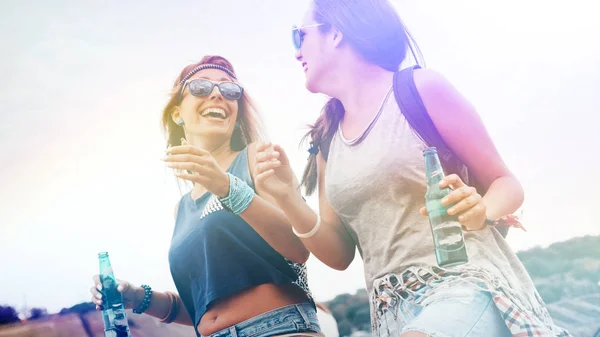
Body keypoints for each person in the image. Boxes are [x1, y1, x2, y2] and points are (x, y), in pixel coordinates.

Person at [252, 1, 570, 336]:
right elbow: (339, 253)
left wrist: (483, 209)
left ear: (336, 33)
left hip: (463, 284)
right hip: (390, 312)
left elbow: (506, 183)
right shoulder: (328, 141)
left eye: (299, 36)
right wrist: (288, 198)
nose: (296, 52)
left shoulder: (420, 89)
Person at [90, 55, 322, 337]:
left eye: (229, 90)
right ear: (177, 113)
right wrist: (139, 298)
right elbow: (201, 306)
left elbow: (298, 248)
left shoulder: (257, 158)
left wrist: (226, 186)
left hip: (277, 327)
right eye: (201, 87)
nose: (216, 94)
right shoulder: (182, 209)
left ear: (236, 114)